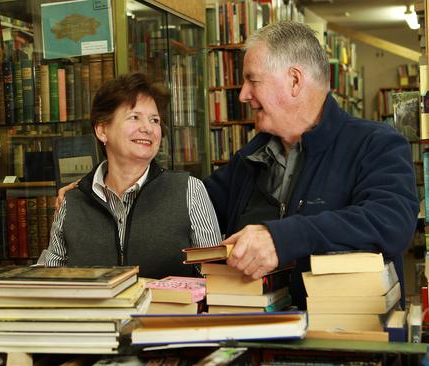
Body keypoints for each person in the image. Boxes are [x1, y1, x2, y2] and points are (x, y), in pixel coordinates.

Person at [203, 21, 418, 309]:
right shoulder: (249, 160)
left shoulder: (376, 144)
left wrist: (282, 239)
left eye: (252, 81)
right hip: (253, 340)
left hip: (344, 341)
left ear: (294, 80)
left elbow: (391, 223)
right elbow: (194, 206)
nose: (242, 95)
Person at [38, 72, 222, 279]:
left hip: (166, 311)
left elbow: (214, 277)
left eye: (154, 120)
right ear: (102, 130)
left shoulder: (189, 190)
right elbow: (52, 279)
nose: (148, 128)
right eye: (134, 117)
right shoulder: (71, 200)